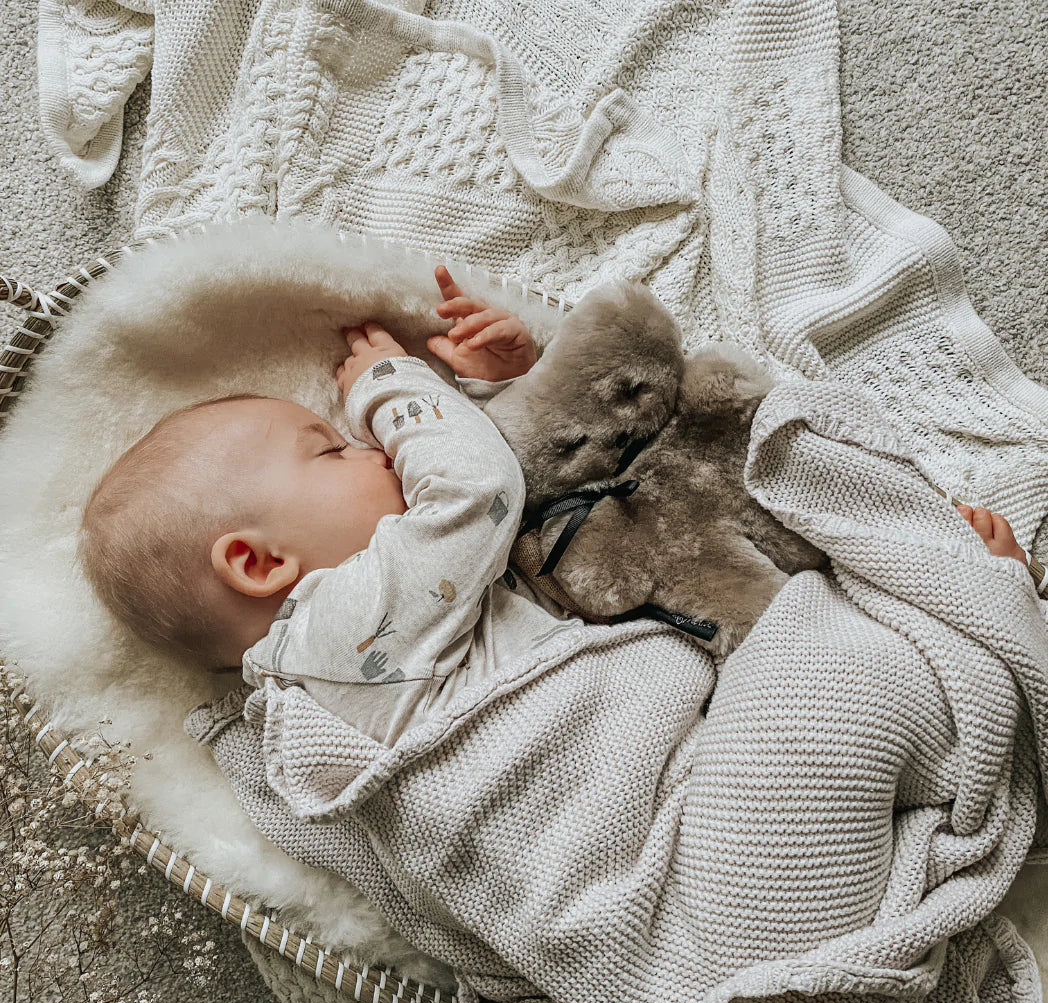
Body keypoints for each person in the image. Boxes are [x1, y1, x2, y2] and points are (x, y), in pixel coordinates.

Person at [79, 265, 1045, 748]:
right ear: (259, 563)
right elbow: (478, 491)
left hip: (656, 740)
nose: (377, 448)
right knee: (824, 661)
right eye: (333, 449)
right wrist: (389, 382)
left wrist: (502, 385)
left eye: (365, 430)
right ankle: (972, 617)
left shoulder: (320, 700)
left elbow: (520, 478)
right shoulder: (337, 630)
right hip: (659, 804)